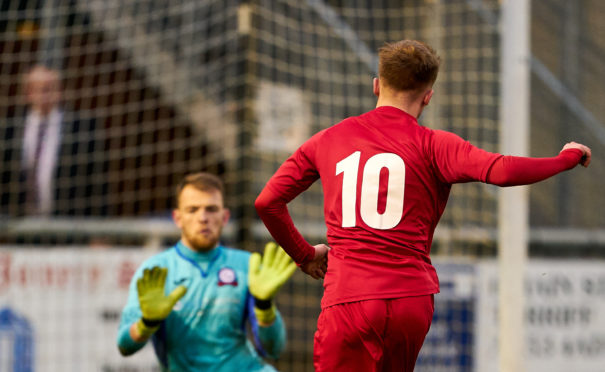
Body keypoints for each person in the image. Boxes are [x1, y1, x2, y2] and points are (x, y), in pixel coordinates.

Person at [254, 39, 592, 372]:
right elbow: (501, 170)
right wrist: (565, 158)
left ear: (377, 85)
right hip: (410, 302)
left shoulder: (329, 139)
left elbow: (268, 202)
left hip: (350, 297)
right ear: (428, 97)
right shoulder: (436, 145)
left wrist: (304, 255)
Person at [117, 172, 296, 371]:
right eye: (193, 210)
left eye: (211, 209)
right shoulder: (155, 271)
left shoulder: (246, 265)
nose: (203, 218)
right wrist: (147, 323)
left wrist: (265, 306)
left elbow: (274, 349)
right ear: (177, 218)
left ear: (224, 216)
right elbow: (125, 346)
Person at [0, 64, 105, 216]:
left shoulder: (80, 127)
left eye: (49, 88)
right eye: (38, 89)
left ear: (59, 90)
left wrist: (99, 232)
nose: (44, 94)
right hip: (18, 224)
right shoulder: (9, 129)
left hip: (67, 223)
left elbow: (97, 181)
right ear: (27, 93)